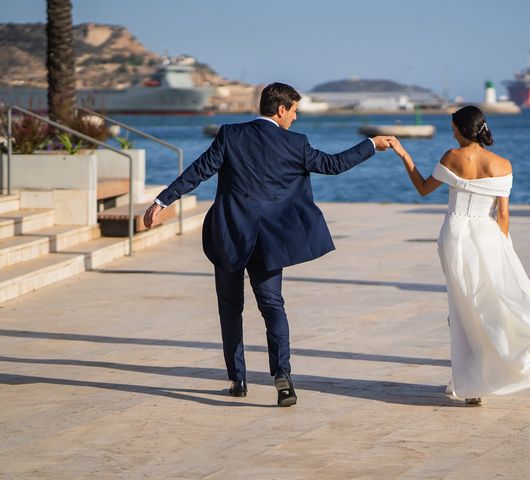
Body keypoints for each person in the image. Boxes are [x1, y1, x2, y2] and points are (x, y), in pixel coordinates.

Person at [143, 82, 393, 407]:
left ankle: (238, 379)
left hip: (230, 234)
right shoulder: (296, 144)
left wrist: (163, 200)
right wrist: (371, 145)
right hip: (269, 240)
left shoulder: (230, 135)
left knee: (230, 310)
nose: (295, 118)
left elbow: (199, 171)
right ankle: (283, 376)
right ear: (281, 109)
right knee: (273, 306)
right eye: (294, 111)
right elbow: (333, 165)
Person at [387, 105, 530, 405]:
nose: (451, 133)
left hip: (456, 235)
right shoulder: (503, 164)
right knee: (491, 303)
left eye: (453, 128)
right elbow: (503, 214)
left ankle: (471, 381)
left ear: (463, 129)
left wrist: (404, 155)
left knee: (461, 308)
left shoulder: (452, 156)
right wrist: (504, 251)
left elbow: (423, 188)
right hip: (489, 237)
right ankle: (480, 375)